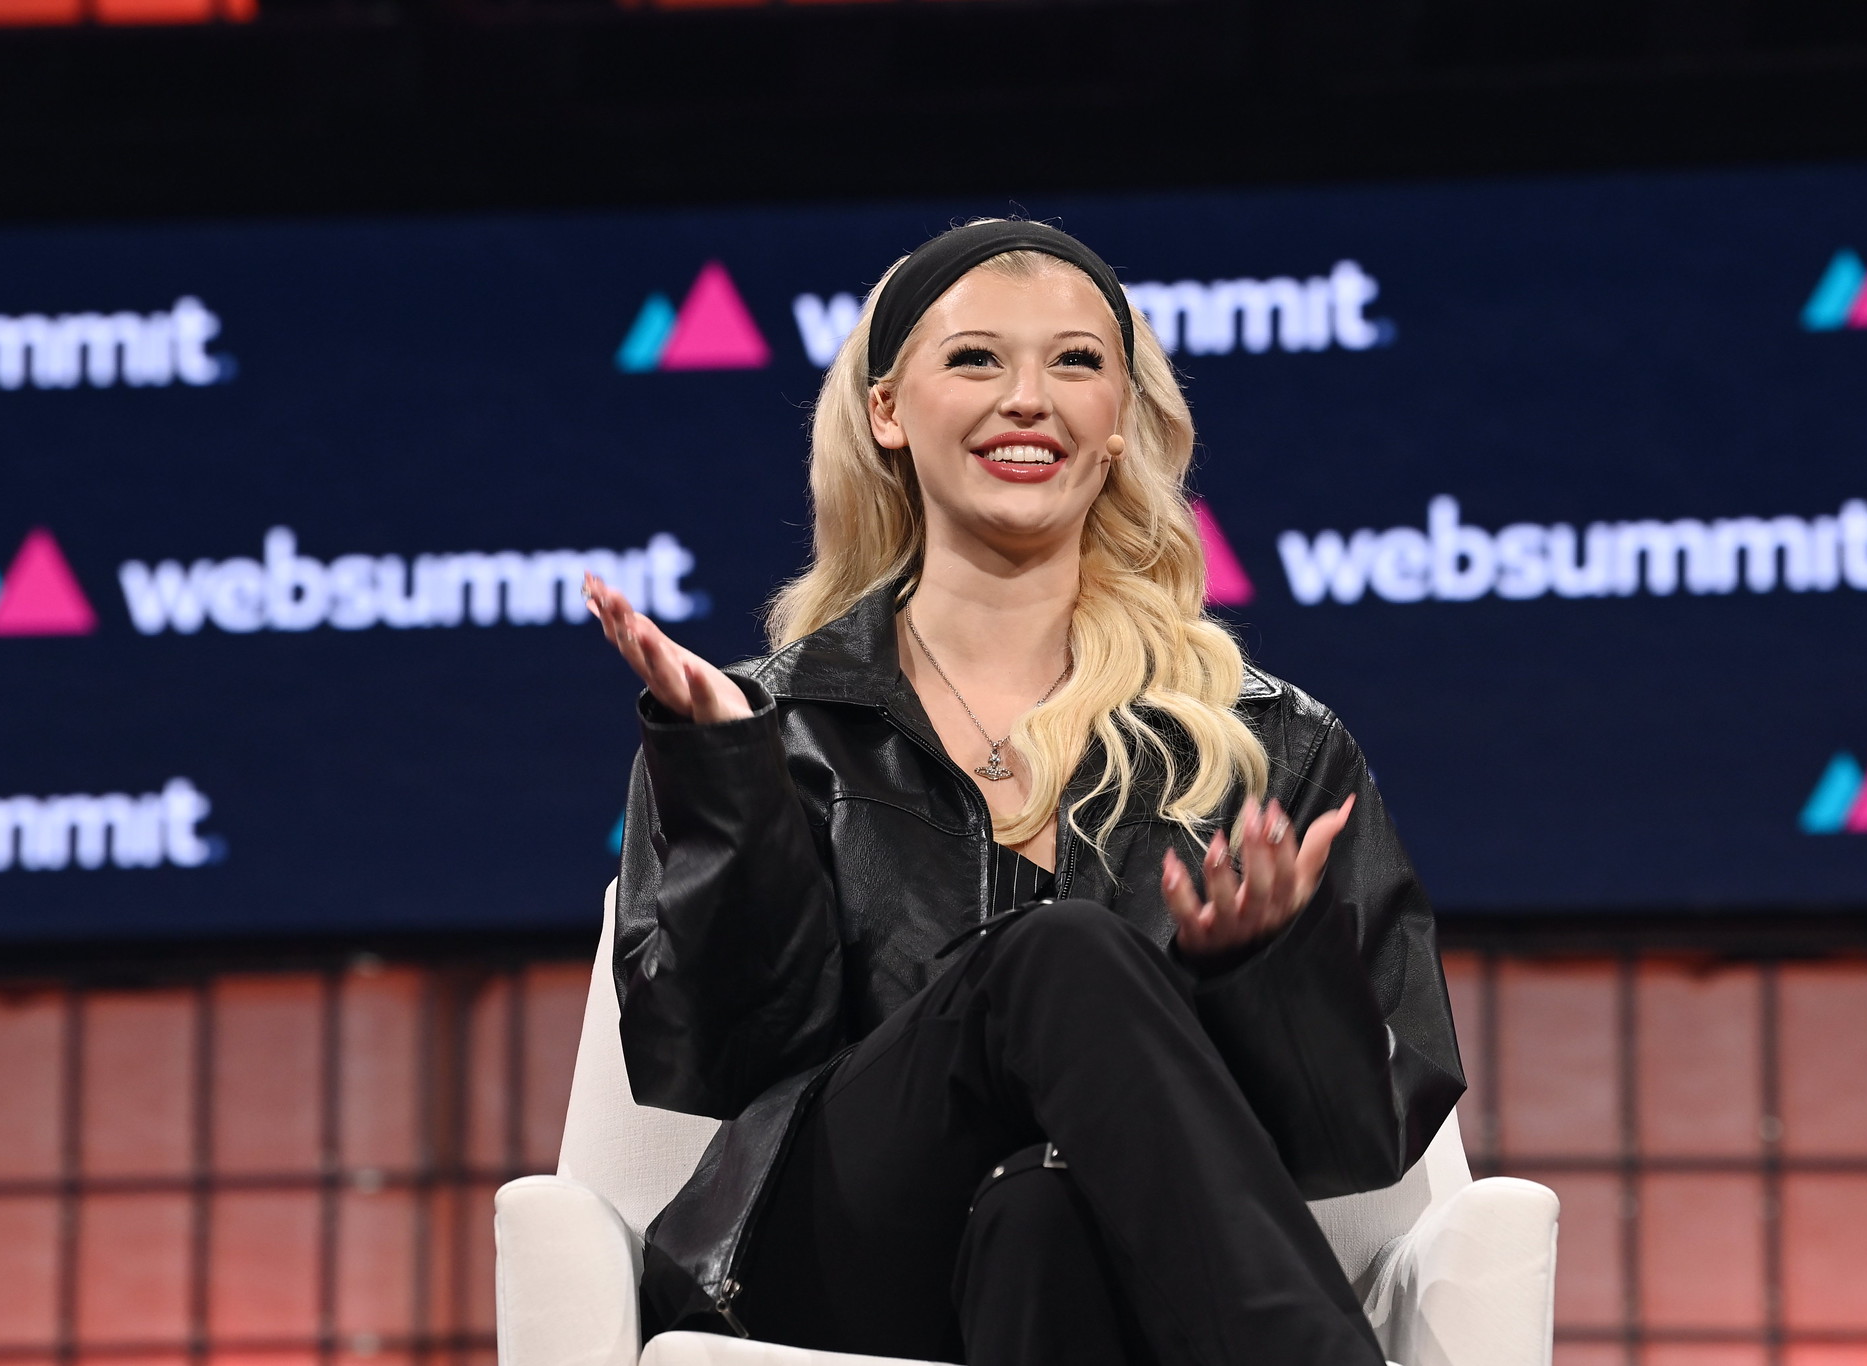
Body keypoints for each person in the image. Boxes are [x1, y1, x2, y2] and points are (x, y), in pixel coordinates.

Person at [585, 219, 1465, 1366]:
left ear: (1117, 426)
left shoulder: (1264, 744)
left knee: (1041, 1213)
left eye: (1075, 362)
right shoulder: (768, 728)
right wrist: (729, 786)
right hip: (836, 1255)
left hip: (1090, 1242)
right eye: (974, 359)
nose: (1027, 399)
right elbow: (713, 1061)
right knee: (1058, 951)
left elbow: (1360, 1134)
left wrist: (1261, 968)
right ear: (888, 412)